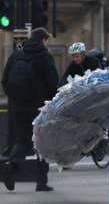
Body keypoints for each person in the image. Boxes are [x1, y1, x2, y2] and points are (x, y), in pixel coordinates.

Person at [1, 27, 58, 191]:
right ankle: (41, 182)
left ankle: (11, 169)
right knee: (42, 143)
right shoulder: (44, 56)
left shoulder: (17, 54)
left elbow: (5, 79)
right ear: (44, 40)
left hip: (17, 107)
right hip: (38, 107)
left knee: (22, 140)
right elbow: (52, 82)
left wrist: (14, 98)